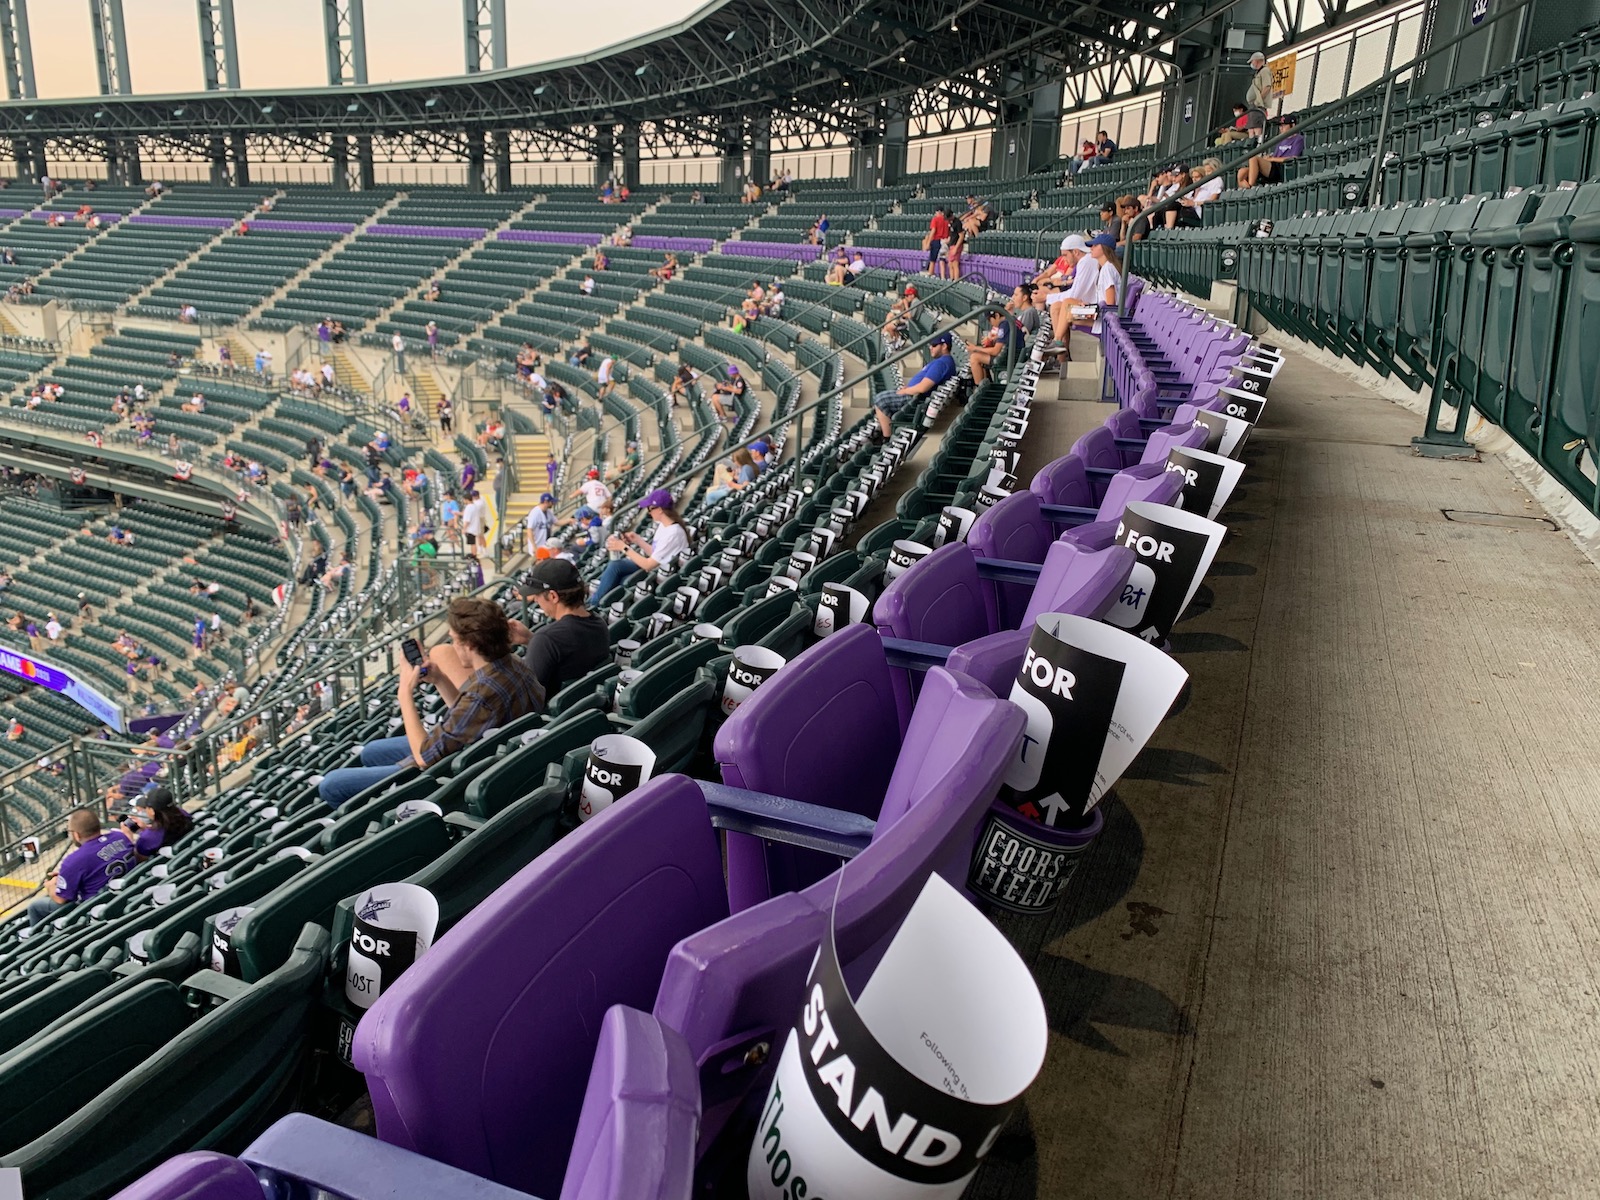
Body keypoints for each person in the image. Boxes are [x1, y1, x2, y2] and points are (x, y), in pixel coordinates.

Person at [317, 598, 545, 808]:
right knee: (371, 751)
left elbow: (424, 758)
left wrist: (404, 693)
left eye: (455, 640)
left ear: (470, 645)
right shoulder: (516, 664)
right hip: (480, 751)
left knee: (331, 784)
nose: (453, 646)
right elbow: (472, 717)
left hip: (438, 776)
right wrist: (440, 679)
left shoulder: (481, 695)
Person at [507, 559, 610, 696]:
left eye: (537, 595)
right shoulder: (599, 622)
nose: (536, 600)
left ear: (553, 596)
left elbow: (525, 698)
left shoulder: (546, 640)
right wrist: (530, 639)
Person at [29, 808, 136, 927]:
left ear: (76, 834)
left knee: (35, 907)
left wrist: (50, 886)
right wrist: (65, 875)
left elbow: (61, 899)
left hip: (96, 909)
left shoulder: (73, 860)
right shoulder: (119, 837)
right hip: (126, 893)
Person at [591, 488, 690, 600]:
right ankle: (594, 602)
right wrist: (638, 540)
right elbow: (655, 553)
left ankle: (593, 604)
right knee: (616, 567)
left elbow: (648, 564)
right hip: (656, 568)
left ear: (660, 510)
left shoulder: (673, 533)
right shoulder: (664, 525)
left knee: (619, 575)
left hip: (660, 575)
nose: (648, 512)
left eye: (650, 509)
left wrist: (624, 547)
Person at [869, 332, 956, 444]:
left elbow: (923, 388)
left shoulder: (942, 364)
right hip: (914, 396)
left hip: (916, 399)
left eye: (934, 345)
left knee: (881, 399)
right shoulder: (944, 362)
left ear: (944, 346)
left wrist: (905, 391)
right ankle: (882, 430)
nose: (930, 347)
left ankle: (886, 439)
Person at [119, 785, 193, 860]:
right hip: (189, 852)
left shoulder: (147, 837)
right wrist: (146, 828)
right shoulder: (183, 814)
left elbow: (140, 859)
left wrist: (129, 838)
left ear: (152, 811)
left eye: (146, 807)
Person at [1239, 114, 1303, 189]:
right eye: (1280, 126)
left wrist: (1272, 159)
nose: (1281, 128)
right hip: (1273, 166)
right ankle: (1248, 188)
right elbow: (1275, 156)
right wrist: (1269, 158)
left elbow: (1294, 158)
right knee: (1241, 172)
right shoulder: (1281, 139)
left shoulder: (1298, 139)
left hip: (1282, 168)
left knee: (1253, 159)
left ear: (1293, 125)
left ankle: (1251, 188)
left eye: (1284, 125)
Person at [1168, 159, 1224, 228]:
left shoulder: (1217, 180)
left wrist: (1194, 203)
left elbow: (1212, 200)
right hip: (1193, 207)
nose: (1207, 174)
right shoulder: (1206, 181)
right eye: (1205, 172)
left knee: (1172, 206)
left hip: (1200, 211)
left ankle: (1169, 229)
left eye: (1209, 171)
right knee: (1165, 208)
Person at [461, 489, 489, 558]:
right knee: (478, 537)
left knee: (480, 537)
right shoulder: (475, 504)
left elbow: (467, 519)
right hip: (477, 521)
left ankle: (483, 551)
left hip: (480, 520)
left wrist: (464, 528)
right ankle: (480, 549)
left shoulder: (479, 503)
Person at [925, 207, 950, 273]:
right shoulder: (947, 220)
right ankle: (943, 277)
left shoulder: (935, 219)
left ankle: (930, 273)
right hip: (945, 241)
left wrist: (928, 243)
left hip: (936, 240)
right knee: (942, 261)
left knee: (932, 260)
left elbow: (933, 231)